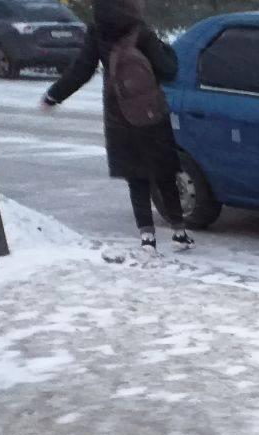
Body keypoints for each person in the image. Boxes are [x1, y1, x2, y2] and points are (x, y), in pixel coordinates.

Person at [40, 0, 192, 254]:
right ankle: (179, 232)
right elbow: (169, 69)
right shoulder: (139, 30)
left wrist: (54, 95)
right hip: (150, 111)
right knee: (164, 170)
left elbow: (82, 69)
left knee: (136, 176)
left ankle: (147, 238)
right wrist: (162, 48)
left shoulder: (98, 33)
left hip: (118, 112)